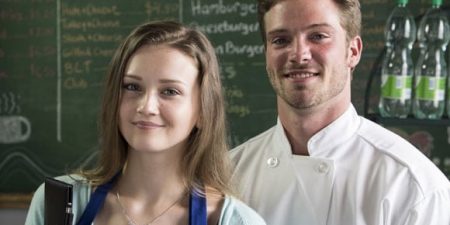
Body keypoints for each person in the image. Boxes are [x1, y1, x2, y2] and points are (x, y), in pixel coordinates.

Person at [230, 0, 450, 224]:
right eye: (280, 40)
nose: (298, 54)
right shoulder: (228, 175)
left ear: (353, 51)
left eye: (318, 36)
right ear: (266, 54)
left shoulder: (413, 188)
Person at [25, 21, 266, 225]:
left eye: (170, 91)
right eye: (132, 87)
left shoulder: (236, 220)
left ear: (203, 110)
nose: (146, 106)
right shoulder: (57, 203)